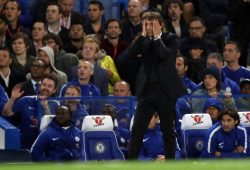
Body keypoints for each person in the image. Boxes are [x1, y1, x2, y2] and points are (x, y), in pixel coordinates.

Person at [126, 11, 187, 160]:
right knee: (137, 132)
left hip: (165, 92)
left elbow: (166, 57)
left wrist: (158, 37)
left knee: (168, 131)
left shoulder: (171, 39)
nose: (149, 27)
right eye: (146, 24)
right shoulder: (142, 40)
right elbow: (128, 57)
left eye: (152, 24)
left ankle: (170, 164)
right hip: (147, 92)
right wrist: (142, 36)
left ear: (161, 25)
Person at [2, 74, 60, 149]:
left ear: (54, 90)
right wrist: (12, 98)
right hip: (24, 148)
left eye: (49, 86)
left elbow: (51, 126)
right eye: (44, 85)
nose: (45, 88)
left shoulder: (56, 104)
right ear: (39, 86)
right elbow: (6, 113)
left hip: (45, 148)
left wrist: (45, 107)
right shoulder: (26, 100)